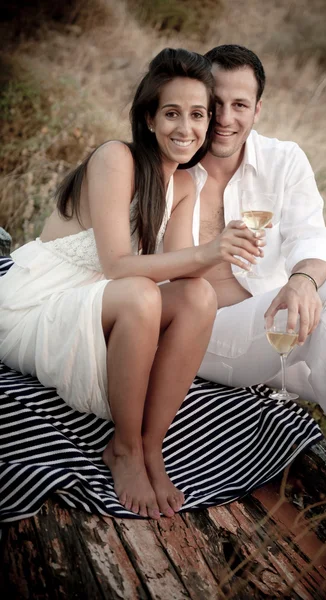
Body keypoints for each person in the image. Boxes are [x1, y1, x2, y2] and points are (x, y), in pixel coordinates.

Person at [0, 48, 263, 520]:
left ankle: (149, 445)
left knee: (199, 295)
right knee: (141, 292)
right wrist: (207, 249)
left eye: (198, 115)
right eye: (172, 113)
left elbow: (183, 275)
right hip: (40, 302)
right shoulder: (115, 157)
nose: (187, 128)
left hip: (106, 302)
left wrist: (224, 252)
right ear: (148, 117)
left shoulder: (185, 185)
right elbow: (119, 265)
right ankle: (121, 448)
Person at [188, 44, 326, 514]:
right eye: (215, 102)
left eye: (240, 104)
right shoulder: (174, 161)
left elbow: (314, 236)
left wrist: (303, 280)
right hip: (200, 336)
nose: (224, 118)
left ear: (258, 108)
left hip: (275, 336)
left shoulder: (283, 160)